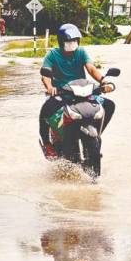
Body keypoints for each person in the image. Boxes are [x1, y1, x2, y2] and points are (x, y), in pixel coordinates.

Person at [38, 23, 115, 159]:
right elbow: (46, 75)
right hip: (62, 94)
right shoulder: (52, 55)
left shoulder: (81, 52)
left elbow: (91, 68)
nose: (72, 44)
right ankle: (47, 144)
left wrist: (103, 81)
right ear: (62, 42)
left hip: (83, 93)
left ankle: (97, 133)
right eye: (69, 41)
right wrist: (50, 88)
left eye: (74, 41)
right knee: (46, 110)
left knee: (109, 105)